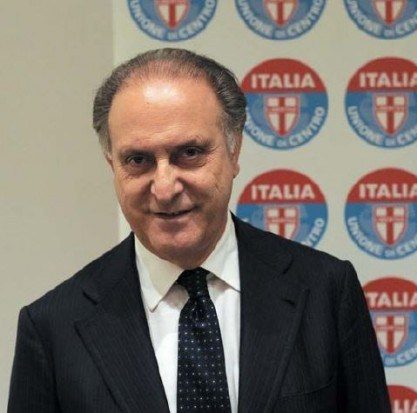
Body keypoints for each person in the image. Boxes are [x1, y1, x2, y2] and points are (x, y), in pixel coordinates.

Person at [8, 48, 390, 412]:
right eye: (138, 160)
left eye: (189, 153)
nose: (164, 187)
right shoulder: (52, 329)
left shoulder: (326, 292)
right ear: (113, 166)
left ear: (234, 150)